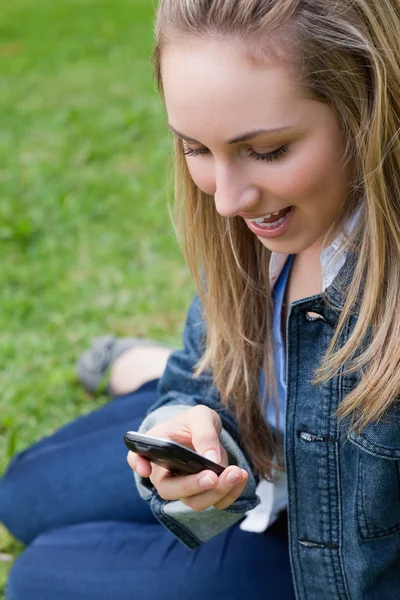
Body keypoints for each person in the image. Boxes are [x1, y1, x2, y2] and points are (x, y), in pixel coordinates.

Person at [1, 0, 400, 598]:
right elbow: (200, 383)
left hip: (324, 554)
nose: (227, 201)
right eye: (194, 148)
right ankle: (149, 368)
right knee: (23, 493)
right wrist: (186, 428)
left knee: (40, 576)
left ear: (368, 106)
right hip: (262, 446)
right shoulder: (259, 225)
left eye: (266, 150)